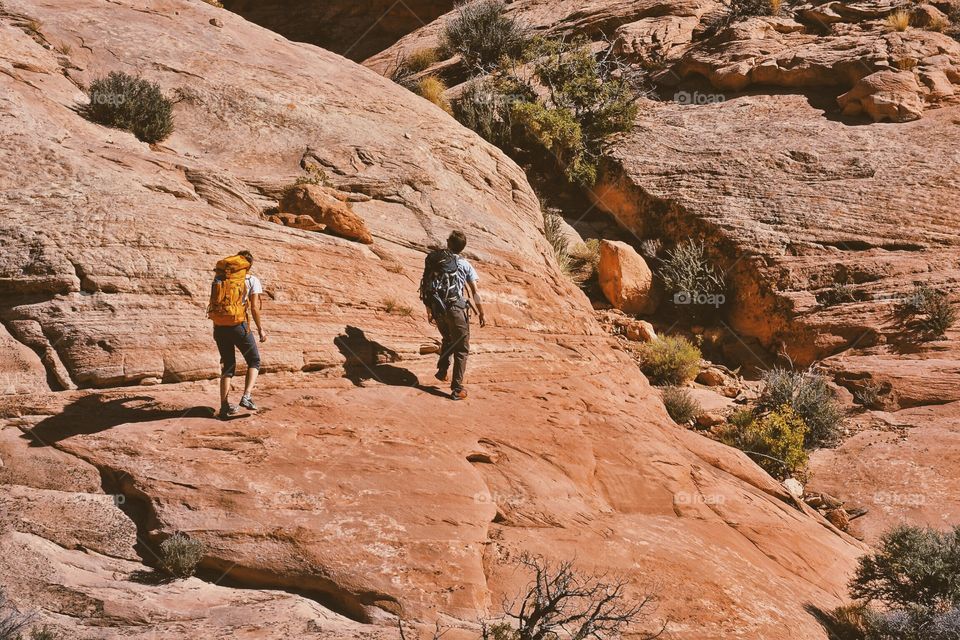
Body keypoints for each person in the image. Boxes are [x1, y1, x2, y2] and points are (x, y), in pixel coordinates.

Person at [419, 231, 486, 400]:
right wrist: (481, 312)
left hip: (438, 308)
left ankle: (442, 371)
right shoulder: (465, 264)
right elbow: (474, 292)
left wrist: (429, 310)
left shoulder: (437, 261)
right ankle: (457, 389)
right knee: (462, 348)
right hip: (456, 309)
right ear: (463, 247)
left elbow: (427, 284)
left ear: (448, 243)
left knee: (448, 339)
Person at [208, 250, 267, 419]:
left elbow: (215, 303)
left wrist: (217, 326)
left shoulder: (221, 278)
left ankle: (224, 406)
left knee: (228, 366)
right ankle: (246, 397)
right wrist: (261, 329)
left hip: (219, 326)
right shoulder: (252, 280)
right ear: (248, 265)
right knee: (254, 360)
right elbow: (254, 308)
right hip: (238, 325)